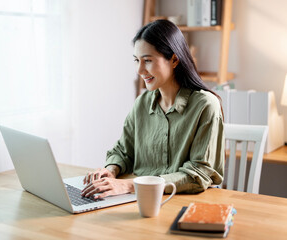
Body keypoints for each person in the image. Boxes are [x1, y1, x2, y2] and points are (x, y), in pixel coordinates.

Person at [81, 19, 225, 199]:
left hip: (182, 201)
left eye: (147, 60)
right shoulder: (142, 103)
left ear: (174, 59)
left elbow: (199, 173)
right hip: (137, 199)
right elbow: (123, 151)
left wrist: (127, 185)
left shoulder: (205, 105)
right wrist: (110, 171)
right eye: (136, 60)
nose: (140, 70)